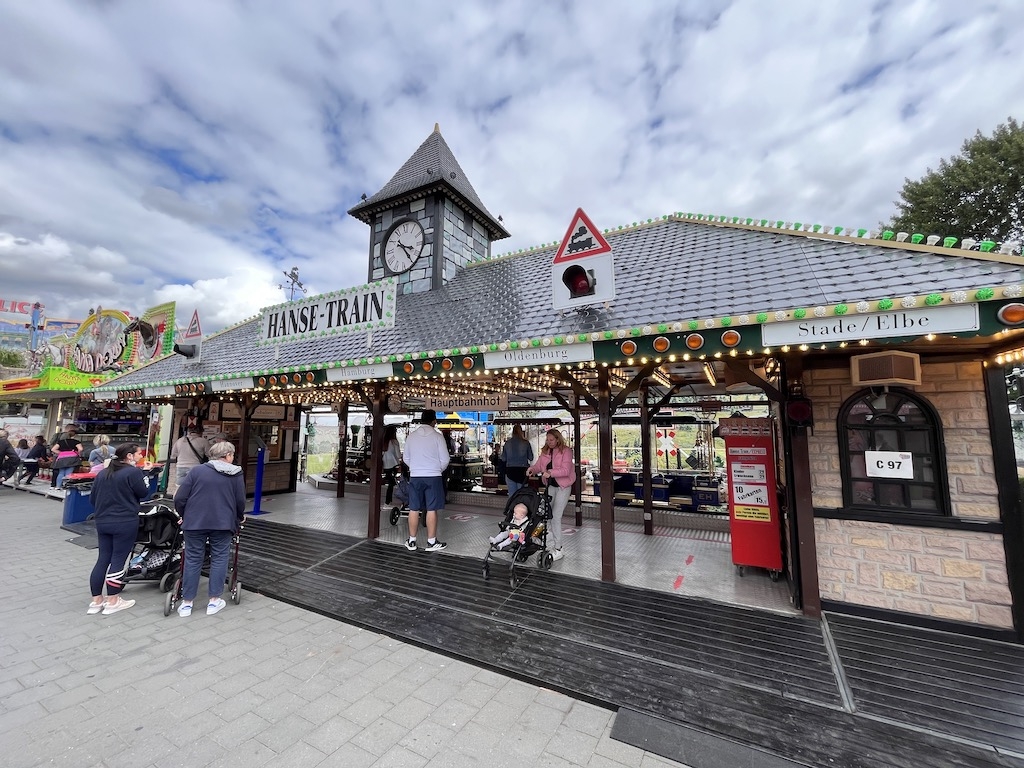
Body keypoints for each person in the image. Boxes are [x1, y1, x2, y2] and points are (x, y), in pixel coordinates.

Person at [173, 441, 246, 617]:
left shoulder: (197, 471)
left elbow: (180, 497)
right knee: (220, 558)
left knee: (192, 558)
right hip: (223, 523)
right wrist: (238, 518)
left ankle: (187, 603)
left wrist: (185, 515)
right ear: (228, 455)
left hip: (194, 522)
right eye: (232, 455)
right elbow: (240, 502)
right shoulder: (236, 474)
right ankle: (214, 601)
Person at [87, 443, 150, 615]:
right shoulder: (133, 472)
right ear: (129, 456)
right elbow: (143, 492)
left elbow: (93, 499)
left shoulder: (103, 473)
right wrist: (144, 473)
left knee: (103, 558)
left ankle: (96, 601)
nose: (140, 456)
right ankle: (113, 600)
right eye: (138, 454)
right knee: (118, 559)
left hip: (102, 520)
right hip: (124, 521)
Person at [402, 409, 450, 552]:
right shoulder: (438, 436)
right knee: (431, 508)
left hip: (415, 476)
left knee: (414, 508)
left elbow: (406, 458)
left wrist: (416, 468)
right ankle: (431, 542)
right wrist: (436, 469)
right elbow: (445, 459)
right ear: (434, 421)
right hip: (433, 476)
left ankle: (411, 541)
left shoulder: (411, 436)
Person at [528, 428, 577, 562]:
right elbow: (538, 465)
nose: (549, 442)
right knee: (544, 513)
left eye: (551, 440)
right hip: (550, 486)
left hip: (563, 486)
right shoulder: (545, 451)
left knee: (555, 516)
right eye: (547, 440)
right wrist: (532, 469)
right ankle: (539, 538)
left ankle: (559, 547)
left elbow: (566, 470)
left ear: (557, 439)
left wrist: (551, 472)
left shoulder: (566, 451)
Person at [501, 425, 534, 497]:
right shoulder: (526, 443)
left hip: (510, 470)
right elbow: (531, 457)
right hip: (522, 471)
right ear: (521, 432)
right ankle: (521, 508)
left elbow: (503, 458)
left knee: (512, 495)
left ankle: (512, 508)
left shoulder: (507, 443)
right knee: (522, 495)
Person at [381, 425, 402, 506]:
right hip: (393, 465)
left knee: (391, 483)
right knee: (392, 484)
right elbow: (398, 455)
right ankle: (387, 502)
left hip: (385, 465)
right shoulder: (394, 442)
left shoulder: (383, 441)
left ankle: (388, 502)